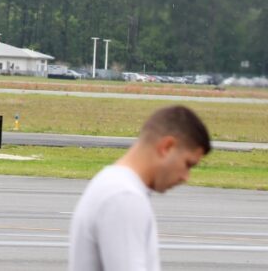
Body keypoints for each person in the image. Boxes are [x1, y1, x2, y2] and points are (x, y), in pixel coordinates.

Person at [68, 105, 212, 270]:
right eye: (188, 164)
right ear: (167, 147)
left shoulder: (112, 183)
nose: (186, 177)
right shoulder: (124, 197)